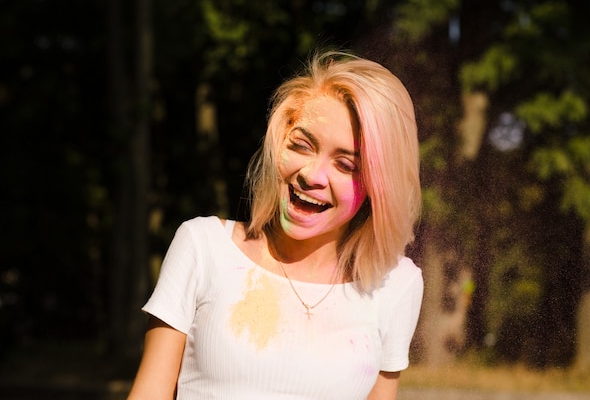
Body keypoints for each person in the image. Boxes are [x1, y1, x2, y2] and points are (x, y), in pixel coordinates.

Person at [126, 50, 423, 400]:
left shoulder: (396, 284)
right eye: (301, 145)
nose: (312, 174)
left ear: (378, 184)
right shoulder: (203, 246)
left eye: (345, 165)